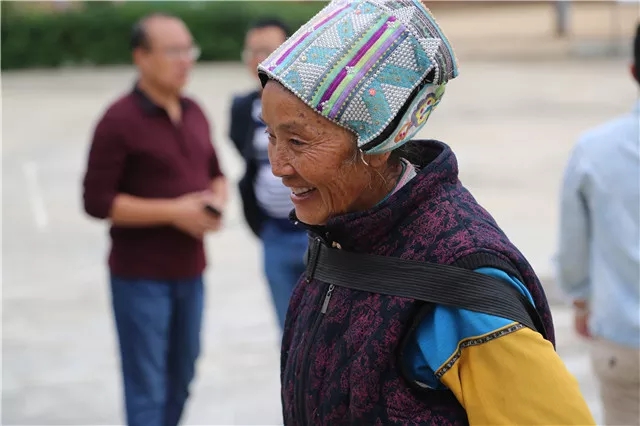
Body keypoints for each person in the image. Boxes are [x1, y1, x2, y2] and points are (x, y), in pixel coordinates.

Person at [257, 0, 596, 424]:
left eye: (298, 142)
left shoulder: (464, 285)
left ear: (377, 143)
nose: (278, 166)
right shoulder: (340, 236)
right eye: (271, 135)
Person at [82, 13, 227, 426]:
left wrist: (216, 203)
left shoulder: (194, 110)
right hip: (140, 278)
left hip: (191, 271)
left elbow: (216, 172)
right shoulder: (118, 120)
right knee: (147, 387)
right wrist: (175, 212)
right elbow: (96, 201)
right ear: (141, 57)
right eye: (173, 51)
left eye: (188, 50)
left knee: (183, 377)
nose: (185, 60)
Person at [555, 23, 640, 426]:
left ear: (633, 71)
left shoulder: (594, 149)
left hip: (623, 340)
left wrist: (581, 300)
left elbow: (573, 245)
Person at [229, 18, 308, 331]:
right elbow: (244, 156)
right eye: (252, 52)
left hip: (315, 233)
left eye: (268, 50)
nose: (259, 60)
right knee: (287, 330)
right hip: (273, 234)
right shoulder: (243, 108)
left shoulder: (310, 105)